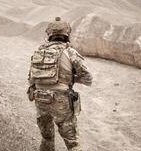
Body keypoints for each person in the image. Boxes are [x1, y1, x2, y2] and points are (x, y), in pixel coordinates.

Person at [27, 17, 93, 151]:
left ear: (49, 34)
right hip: (61, 101)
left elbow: (31, 78)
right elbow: (88, 79)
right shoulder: (70, 52)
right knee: (72, 143)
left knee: (47, 138)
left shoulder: (39, 51)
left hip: (40, 99)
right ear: (67, 34)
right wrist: (69, 78)